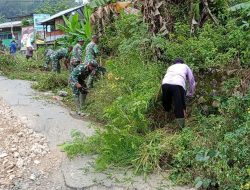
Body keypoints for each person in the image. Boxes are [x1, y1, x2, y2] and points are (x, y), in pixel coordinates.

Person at [161, 58, 196, 129]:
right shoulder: (185, 66)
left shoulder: (170, 67)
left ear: (174, 63)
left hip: (165, 84)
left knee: (166, 103)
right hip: (178, 84)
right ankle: (181, 127)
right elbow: (191, 81)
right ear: (182, 63)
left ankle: (166, 120)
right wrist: (191, 93)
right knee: (179, 105)